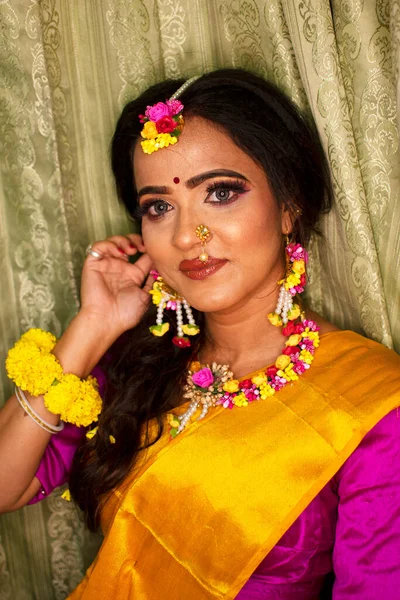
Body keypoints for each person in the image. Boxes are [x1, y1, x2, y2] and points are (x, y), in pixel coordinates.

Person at [0, 68, 399, 600]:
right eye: (158, 207)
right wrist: (92, 326)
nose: (187, 236)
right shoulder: (140, 358)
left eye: (221, 192)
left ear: (288, 206)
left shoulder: (369, 404)